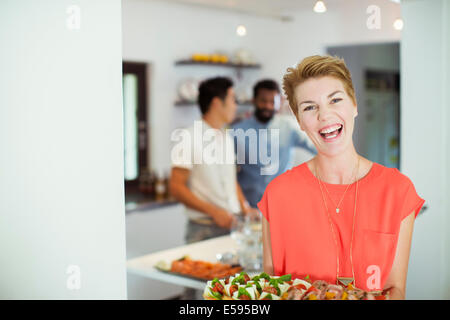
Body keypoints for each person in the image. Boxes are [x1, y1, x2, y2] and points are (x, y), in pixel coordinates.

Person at [258, 55, 425, 300]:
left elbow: (396, 291)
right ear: (300, 122)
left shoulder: (398, 191)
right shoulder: (277, 195)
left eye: (335, 100)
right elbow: (270, 290)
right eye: (309, 107)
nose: (324, 116)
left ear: (354, 105)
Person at [170, 76, 257, 245]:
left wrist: (245, 207)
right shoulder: (188, 136)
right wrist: (214, 212)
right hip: (204, 230)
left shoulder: (226, 136)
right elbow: (176, 187)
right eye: (232, 100)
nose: (236, 106)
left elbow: (231, 180)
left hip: (233, 226)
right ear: (217, 103)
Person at [231, 79, 316, 208]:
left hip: (283, 205)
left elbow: (320, 148)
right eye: (263, 101)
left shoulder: (290, 128)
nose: (268, 106)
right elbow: (228, 170)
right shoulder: (238, 131)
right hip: (249, 206)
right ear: (254, 101)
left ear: (280, 102)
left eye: (272, 102)